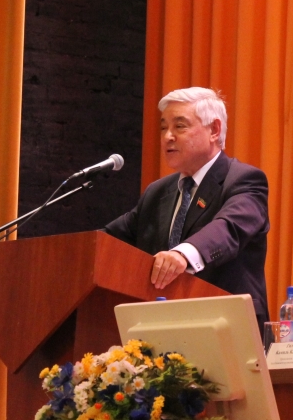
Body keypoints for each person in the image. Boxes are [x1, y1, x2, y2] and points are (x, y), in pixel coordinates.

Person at [105, 87, 270, 323]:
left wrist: (183, 254)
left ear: (214, 130)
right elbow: (109, 240)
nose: (167, 136)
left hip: (227, 323)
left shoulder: (244, 180)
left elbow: (228, 228)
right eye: (163, 127)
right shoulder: (157, 192)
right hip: (163, 325)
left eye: (179, 126)